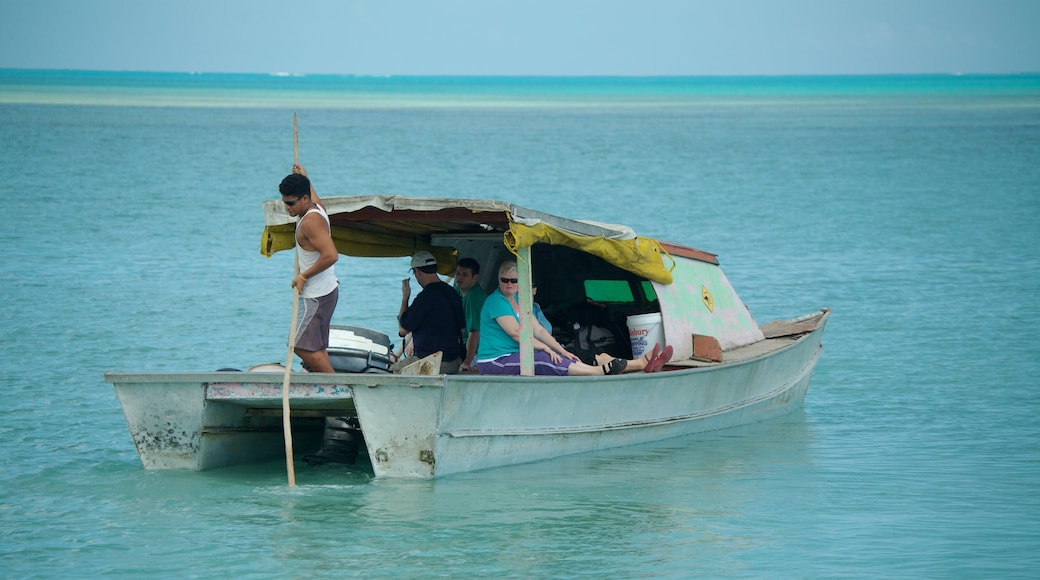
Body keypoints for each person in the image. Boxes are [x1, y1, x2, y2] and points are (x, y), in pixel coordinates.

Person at [475, 261, 669, 376]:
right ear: (498, 280)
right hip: (497, 359)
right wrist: (544, 347)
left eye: (514, 280)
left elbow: (539, 330)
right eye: (504, 280)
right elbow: (516, 333)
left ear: (521, 281)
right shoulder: (496, 302)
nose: (509, 284)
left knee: (570, 353)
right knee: (542, 359)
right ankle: (597, 373)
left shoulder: (521, 299)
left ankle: (642, 363)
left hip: (519, 352)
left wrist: (559, 349)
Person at [279, 165, 339, 373]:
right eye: (284, 202)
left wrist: (304, 275)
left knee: (300, 345)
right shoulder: (316, 208)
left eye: (290, 203)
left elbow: (331, 255)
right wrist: (305, 177)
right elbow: (313, 194)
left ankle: (335, 385)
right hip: (326, 291)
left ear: (304, 198)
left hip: (317, 295)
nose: (287, 207)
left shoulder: (310, 222)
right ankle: (328, 383)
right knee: (316, 346)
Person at [393, 250, 467, 374]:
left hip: (432, 362)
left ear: (418, 272)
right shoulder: (452, 293)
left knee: (394, 370)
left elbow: (403, 330)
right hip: (454, 362)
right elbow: (462, 330)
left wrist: (405, 298)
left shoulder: (425, 297)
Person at [454, 257, 487, 372]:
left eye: (465, 275)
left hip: (478, 351)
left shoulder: (474, 298)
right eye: (457, 273)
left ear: (475, 278)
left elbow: (475, 333)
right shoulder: (458, 290)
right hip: (460, 343)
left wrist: (466, 362)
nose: (459, 277)